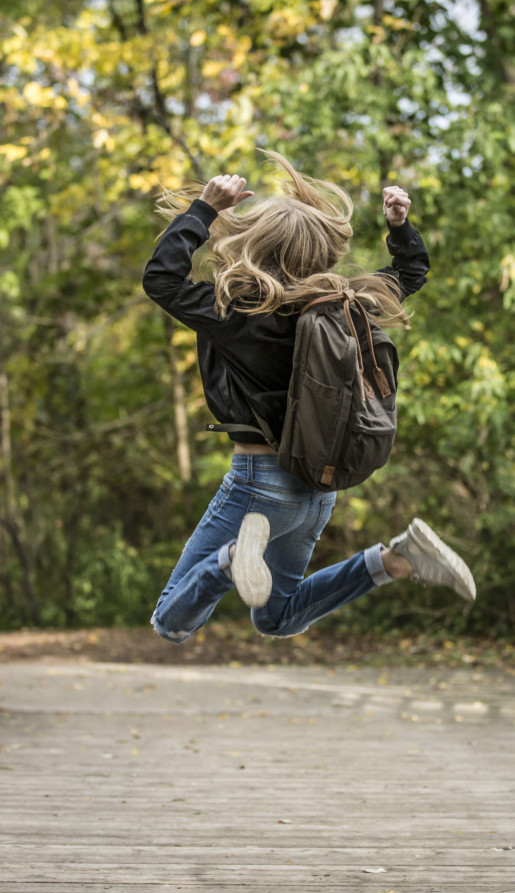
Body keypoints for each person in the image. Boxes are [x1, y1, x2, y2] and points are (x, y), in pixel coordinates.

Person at [142, 152, 475, 645]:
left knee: (170, 622)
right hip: (316, 489)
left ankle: (233, 559)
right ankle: (395, 559)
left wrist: (205, 208)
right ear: (319, 251)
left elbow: (161, 280)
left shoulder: (235, 311)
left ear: (255, 242)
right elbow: (410, 275)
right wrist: (399, 228)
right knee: (277, 617)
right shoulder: (347, 306)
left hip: (258, 486)